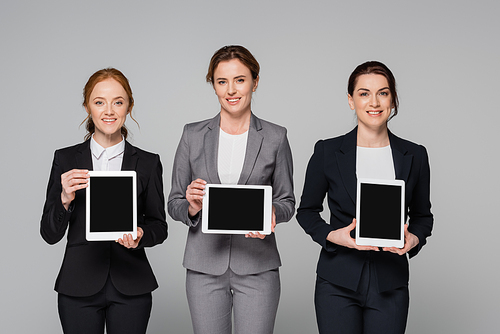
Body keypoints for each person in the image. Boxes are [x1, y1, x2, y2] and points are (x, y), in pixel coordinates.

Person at [296, 61, 433, 334]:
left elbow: (422, 217)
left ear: (392, 100)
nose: (374, 102)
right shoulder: (327, 151)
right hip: (337, 282)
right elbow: (307, 211)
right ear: (351, 100)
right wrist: (333, 235)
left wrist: (413, 239)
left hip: (390, 282)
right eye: (363, 93)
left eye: (383, 93)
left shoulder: (414, 155)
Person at [168, 45, 295, 334]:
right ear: (213, 85)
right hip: (204, 266)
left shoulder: (276, 137)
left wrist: (273, 213)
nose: (231, 90)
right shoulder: (192, 134)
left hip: (258, 265)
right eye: (221, 81)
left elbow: (287, 200)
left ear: (255, 81)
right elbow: (174, 201)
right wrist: (191, 206)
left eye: (240, 79)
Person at [40, 68, 168, 334]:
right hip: (77, 285)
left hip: (132, 284)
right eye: (100, 102)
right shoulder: (65, 159)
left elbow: (159, 225)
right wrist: (64, 198)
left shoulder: (147, 162)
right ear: (88, 106)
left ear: (128, 106)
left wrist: (141, 234)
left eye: (118, 102)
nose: (109, 111)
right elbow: (49, 234)